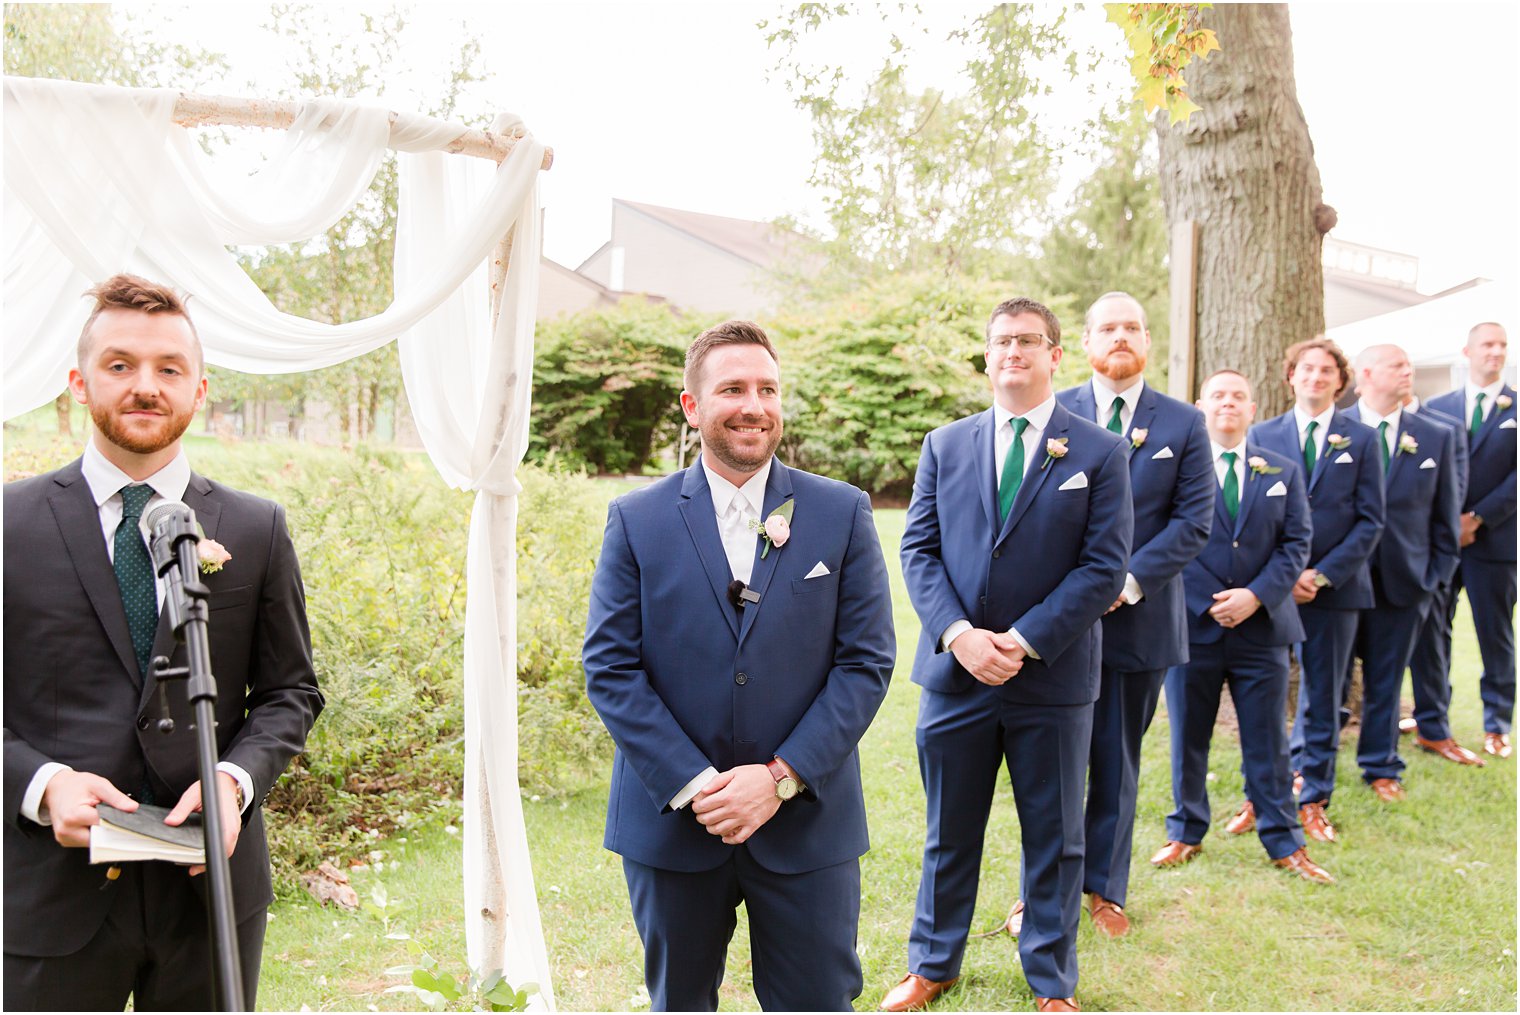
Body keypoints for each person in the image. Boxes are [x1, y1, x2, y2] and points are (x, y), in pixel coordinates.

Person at [3, 274, 323, 1010]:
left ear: (199, 388)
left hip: (209, 892)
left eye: (168, 369)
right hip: (47, 892)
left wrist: (237, 782)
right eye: (120, 365)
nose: (145, 385)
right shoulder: (8, 524)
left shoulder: (255, 527)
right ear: (81, 384)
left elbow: (290, 692)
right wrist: (41, 784)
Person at [583, 320, 895, 1012]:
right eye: (732, 388)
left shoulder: (841, 512)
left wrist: (780, 778)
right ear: (693, 407)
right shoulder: (637, 518)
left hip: (808, 824)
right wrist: (698, 785)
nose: (754, 404)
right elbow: (610, 666)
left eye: (768, 388)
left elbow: (866, 661)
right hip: (673, 827)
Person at [883, 297, 1132, 1013]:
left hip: (1050, 677)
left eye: (1028, 340)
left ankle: (1051, 980)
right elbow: (920, 550)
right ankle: (933, 963)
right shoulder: (946, 444)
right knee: (947, 831)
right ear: (988, 357)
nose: (1013, 351)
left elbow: (1102, 568)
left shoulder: (1100, 451)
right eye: (1001, 341)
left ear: (1056, 355)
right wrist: (960, 634)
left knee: (1054, 837)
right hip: (956, 675)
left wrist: (1021, 642)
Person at [997, 292, 1211, 939]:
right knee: (1050, 769)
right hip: (1057, 626)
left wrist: (1129, 579)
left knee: (1116, 761)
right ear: (1084, 344)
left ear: (1148, 341)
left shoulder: (1183, 423)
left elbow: (1193, 521)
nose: (1120, 337)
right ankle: (1039, 893)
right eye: (1107, 328)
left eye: (1132, 327)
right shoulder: (1048, 416)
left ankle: (1104, 889)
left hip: (1136, 623)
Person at [1149, 369, 1329, 883]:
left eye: (1239, 397)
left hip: (1262, 628)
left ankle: (1282, 839)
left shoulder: (1282, 470)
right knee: (1188, 736)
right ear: (1200, 406)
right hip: (1191, 627)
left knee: (1268, 739)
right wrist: (1209, 601)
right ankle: (1186, 831)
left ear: (1253, 409)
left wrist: (1255, 595)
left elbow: (1296, 544)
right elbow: (1165, 541)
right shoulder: (1177, 472)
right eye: (1219, 395)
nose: (1229, 403)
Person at [1245, 337, 1384, 843]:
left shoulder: (1363, 440)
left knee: (1323, 697)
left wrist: (1321, 576)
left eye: (1327, 371)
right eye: (1307, 369)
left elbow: (1371, 522)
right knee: (1262, 698)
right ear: (1291, 376)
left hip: (1336, 591)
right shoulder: (1261, 436)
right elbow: (1251, 519)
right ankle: (1261, 795)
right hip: (1272, 591)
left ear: (1340, 381)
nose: (1316, 377)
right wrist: (1283, 578)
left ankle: (1314, 797)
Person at [1344, 345, 1464, 791]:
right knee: (1329, 681)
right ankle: (1310, 767)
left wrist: (1433, 579)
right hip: (1340, 581)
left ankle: (1380, 766)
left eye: (1410, 365)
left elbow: (1444, 517)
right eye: (1397, 365)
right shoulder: (1338, 430)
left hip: (1407, 582)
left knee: (1387, 680)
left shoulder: (1435, 436)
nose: (1408, 371)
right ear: (1366, 374)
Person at [1423, 323, 1517, 759]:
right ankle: (1433, 719)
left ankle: (1497, 723)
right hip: (1441, 542)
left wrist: (1478, 518)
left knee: (1494, 632)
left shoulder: (1516, 408)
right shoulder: (1436, 407)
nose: (1495, 352)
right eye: (1487, 344)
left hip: (1494, 542)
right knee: (1433, 630)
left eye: (1502, 345)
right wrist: (1447, 522)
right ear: (1468, 351)